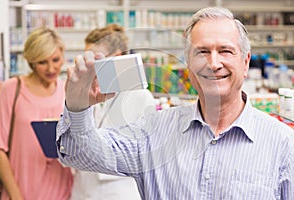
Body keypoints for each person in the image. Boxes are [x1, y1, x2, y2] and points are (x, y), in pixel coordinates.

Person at [57, 7, 294, 200]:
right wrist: (77, 106)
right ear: (188, 65)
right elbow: (79, 154)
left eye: (225, 51)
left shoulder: (282, 144)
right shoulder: (153, 132)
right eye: (201, 52)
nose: (213, 63)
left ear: (245, 61)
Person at [70, 24, 155, 200]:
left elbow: (145, 153)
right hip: (83, 184)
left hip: (118, 188)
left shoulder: (139, 95)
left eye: (94, 58)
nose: (89, 65)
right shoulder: (88, 90)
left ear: (116, 57)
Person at [0, 27, 73, 200]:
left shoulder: (67, 91)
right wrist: (15, 196)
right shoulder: (12, 89)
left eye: (56, 59)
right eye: (42, 62)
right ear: (31, 61)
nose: (51, 68)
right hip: (20, 191)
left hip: (61, 191)